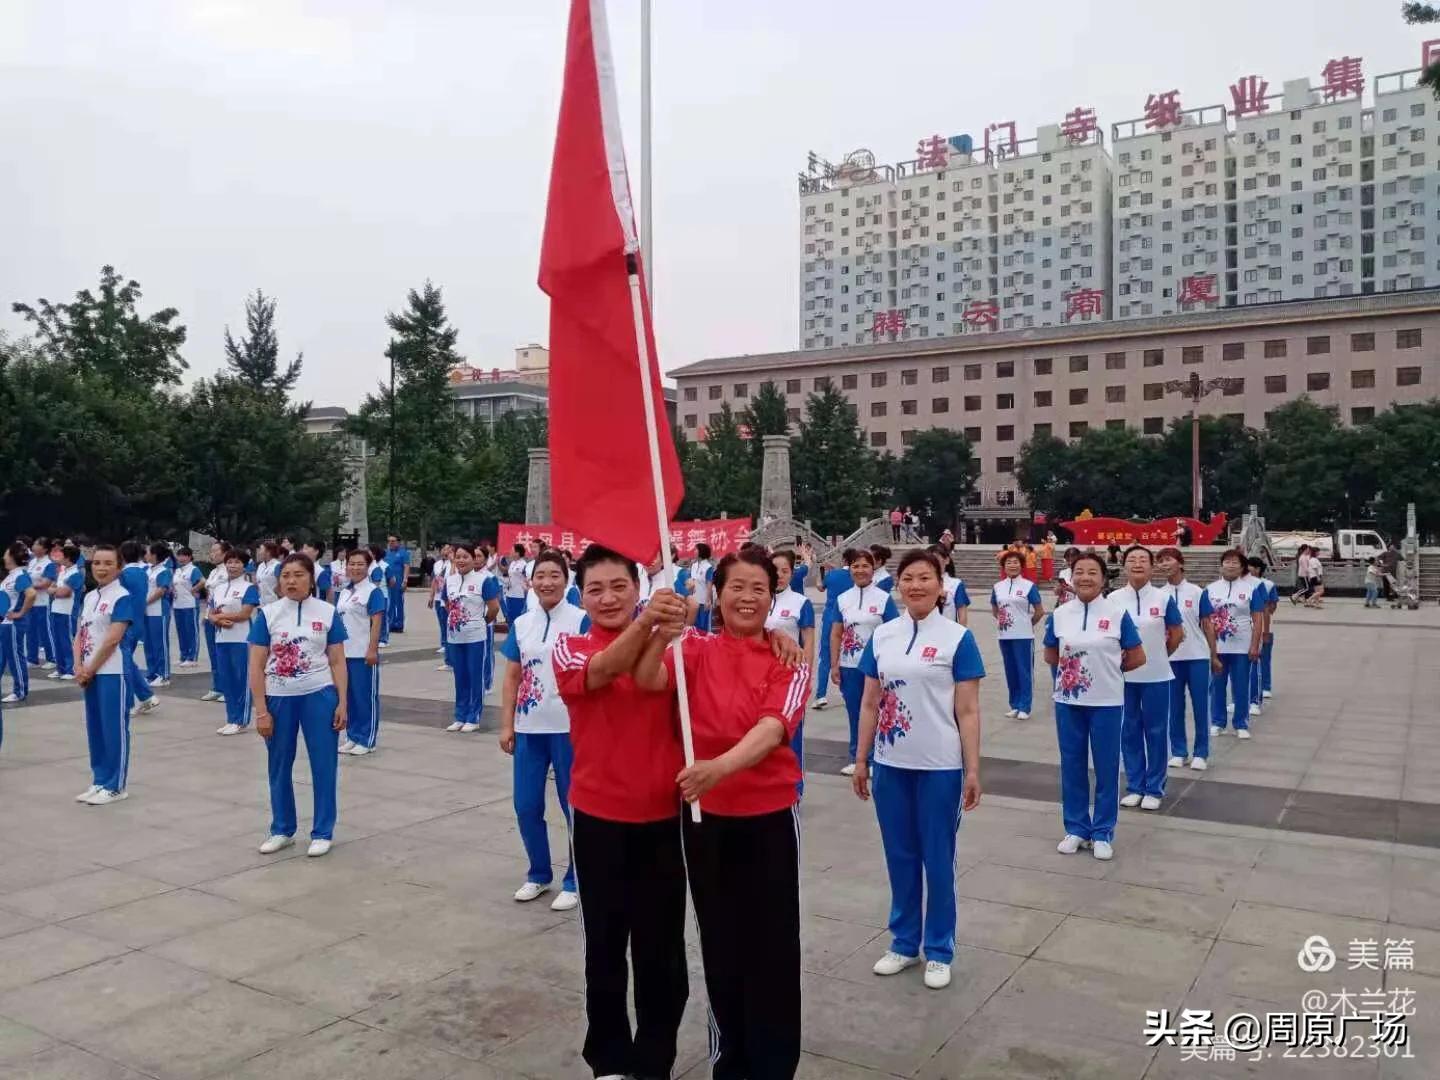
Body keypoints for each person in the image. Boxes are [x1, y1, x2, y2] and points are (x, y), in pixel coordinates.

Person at [628, 547, 811, 1076]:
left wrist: (716, 769)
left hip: (769, 816)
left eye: (759, 588)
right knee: (721, 939)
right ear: (717, 593)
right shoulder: (695, 650)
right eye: (737, 587)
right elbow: (646, 680)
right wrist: (659, 630)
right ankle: (730, 1058)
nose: (747, 597)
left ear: (772, 599)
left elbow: (773, 728)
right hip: (706, 821)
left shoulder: (788, 658)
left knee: (774, 944)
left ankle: (773, 1065)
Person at [551, 546, 690, 1080]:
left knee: (661, 951)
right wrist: (650, 622)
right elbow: (604, 670)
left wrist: (778, 636)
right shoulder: (569, 646)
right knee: (605, 945)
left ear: (637, 587)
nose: (608, 597)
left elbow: (731, 646)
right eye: (595, 589)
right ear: (580, 596)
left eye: (619, 586)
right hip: (598, 818)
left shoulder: (676, 646)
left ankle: (655, 1059)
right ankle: (608, 1058)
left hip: (663, 818)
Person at [852, 550, 984, 991]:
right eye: (908, 578)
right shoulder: (884, 636)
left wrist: (971, 769)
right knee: (901, 856)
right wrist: (862, 758)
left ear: (940, 585)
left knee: (937, 858)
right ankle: (905, 943)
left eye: (925, 578)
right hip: (891, 766)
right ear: (899, 585)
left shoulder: (957, 638)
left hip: (940, 767)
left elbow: (967, 711)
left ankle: (940, 948)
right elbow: (870, 703)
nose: (916, 586)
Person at [498, 549, 587, 912]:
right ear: (530, 581)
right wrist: (507, 724)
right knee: (526, 804)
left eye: (554, 575)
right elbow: (513, 676)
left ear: (566, 581)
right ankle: (538, 873)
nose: (547, 582)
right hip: (528, 727)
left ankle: (575, 879)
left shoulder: (582, 620)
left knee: (574, 806)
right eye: (540, 576)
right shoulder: (522, 623)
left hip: (570, 729)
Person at [1043, 552, 1145, 860]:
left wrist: (1107, 671)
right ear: (1070, 577)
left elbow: (1137, 656)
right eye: (1079, 572)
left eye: (1092, 572)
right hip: (1068, 702)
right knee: (1072, 765)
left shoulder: (1116, 614)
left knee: (1106, 766)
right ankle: (1075, 828)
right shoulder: (1060, 614)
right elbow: (1051, 655)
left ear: (1103, 579)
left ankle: (1102, 831)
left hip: (1107, 703)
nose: (1085, 577)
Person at [248, 552, 348, 857]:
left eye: (298, 575)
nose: (291, 581)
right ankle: (282, 829)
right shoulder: (268, 614)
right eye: (286, 576)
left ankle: (322, 831)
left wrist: (342, 702)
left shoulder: (328, 612)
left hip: (319, 695)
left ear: (311, 578)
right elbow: (255, 665)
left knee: (324, 764)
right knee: (278, 764)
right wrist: (261, 710)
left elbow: (337, 660)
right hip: (279, 698)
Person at [1113, 547, 1183, 813]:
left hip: (1156, 675)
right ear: (1124, 566)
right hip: (1124, 677)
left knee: (1155, 731)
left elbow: (1176, 634)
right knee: (1129, 730)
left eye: (1143, 560)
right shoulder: (1114, 599)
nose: (1138, 564)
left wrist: (1159, 656)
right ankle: (1135, 785)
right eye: (1132, 560)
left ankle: (1154, 788)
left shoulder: (1164, 599)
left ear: (1152, 567)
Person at [73, 544, 137, 805]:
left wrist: (90, 667)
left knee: (113, 728)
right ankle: (99, 779)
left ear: (119, 567)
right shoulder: (89, 597)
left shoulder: (122, 597)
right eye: (97, 563)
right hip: (89, 672)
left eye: (108, 563)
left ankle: (116, 785)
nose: (101, 568)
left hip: (111, 671)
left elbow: (112, 640)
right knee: (95, 728)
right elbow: (79, 634)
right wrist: (78, 666)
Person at [830, 547, 899, 775]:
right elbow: (836, 633)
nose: (860, 570)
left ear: (873, 568)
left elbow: (894, 632)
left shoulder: (883, 599)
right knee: (854, 712)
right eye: (855, 566)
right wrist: (834, 664)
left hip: (876, 669)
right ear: (850, 569)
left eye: (865, 565)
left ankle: (877, 758)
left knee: (878, 712)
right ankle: (857, 757)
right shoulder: (843, 599)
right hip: (849, 666)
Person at [1156, 547, 1215, 772]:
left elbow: (1208, 624)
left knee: (1200, 705)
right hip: (1170, 657)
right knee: (1174, 707)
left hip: (1197, 656)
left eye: (1168, 559)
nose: (1164, 564)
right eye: (1160, 561)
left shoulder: (1197, 592)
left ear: (1180, 563)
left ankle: (1201, 752)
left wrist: (1214, 654)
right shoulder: (1159, 595)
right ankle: (1179, 751)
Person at [767, 549, 815, 793]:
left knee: (792, 734)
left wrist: (806, 675)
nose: (779, 576)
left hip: (790, 679)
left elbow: (809, 641)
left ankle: (795, 788)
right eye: (775, 571)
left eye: (785, 571)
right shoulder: (760, 599)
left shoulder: (800, 603)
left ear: (792, 573)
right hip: (761, 679)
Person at [1207, 549, 1265, 741]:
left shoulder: (1251, 589)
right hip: (1217, 646)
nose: (1230, 565)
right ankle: (1218, 722)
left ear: (1242, 567)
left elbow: (1257, 620)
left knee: (1241, 685)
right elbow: (1205, 620)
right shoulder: (1210, 589)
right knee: (1217, 686)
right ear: (1221, 565)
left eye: (1235, 562)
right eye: (1227, 562)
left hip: (1242, 645)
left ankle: (1241, 723)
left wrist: (1255, 645)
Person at [444, 542, 500, 733]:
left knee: (475, 677)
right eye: (457, 556)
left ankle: (473, 717)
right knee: (460, 677)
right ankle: (460, 716)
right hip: (454, 637)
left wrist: (482, 622)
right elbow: (447, 604)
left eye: (465, 557)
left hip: (476, 637)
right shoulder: (450, 580)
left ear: (473, 559)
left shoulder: (484, 580)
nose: (461, 560)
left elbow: (494, 608)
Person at [335, 547, 386, 756]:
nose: (355, 568)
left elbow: (376, 622)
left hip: (362, 653)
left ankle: (367, 739)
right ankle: (353, 735)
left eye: (360, 564)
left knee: (364, 697)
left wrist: (372, 649)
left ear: (368, 566)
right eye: (352, 563)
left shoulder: (373, 592)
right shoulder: (345, 592)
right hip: (343, 654)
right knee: (349, 697)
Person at [209, 547, 259, 736]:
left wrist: (221, 617)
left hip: (242, 639)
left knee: (242, 679)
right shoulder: (219, 588)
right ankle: (231, 718)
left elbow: (245, 613)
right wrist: (218, 620)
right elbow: (211, 613)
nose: (233, 565)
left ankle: (241, 720)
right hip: (222, 638)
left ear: (244, 566)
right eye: (230, 561)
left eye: (237, 562)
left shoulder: (249, 588)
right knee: (227, 680)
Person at [990, 552, 1044, 720]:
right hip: (1004, 635)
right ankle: (1014, 704)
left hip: (1024, 636)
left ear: (1021, 565)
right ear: (1003, 566)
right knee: (1010, 670)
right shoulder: (998, 587)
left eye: (1015, 562)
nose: (1012, 565)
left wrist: (1027, 624)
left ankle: (1025, 707)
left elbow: (1039, 611)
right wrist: (1004, 622)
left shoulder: (1028, 586)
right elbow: (995, 609)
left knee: (1024, 671)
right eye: (1009, 562)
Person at [118, 542, 160, 714]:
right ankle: (145, 696)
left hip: (124, 623)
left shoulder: (123, 575)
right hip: (137, 622)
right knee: (126, 661)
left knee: (124, 663)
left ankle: (133, 702)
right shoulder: (142, 573)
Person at [812, 554, 854, 710]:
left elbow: (820, 587)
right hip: (849, 618)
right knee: (848, 655)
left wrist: (820, 572)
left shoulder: (832, 575)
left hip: (830, 618)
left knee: (826, 656)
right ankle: (849, 693)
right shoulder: (856, 576)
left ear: (843, 560)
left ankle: (821, 695)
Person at [1, 543, 35, 703]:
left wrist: (20, 613)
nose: (4, 557)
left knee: (15, 657)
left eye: (6, 554)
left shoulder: (20, 575)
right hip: (5, 623)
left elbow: (31, 594)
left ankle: (20, 691)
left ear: (13, 557)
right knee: (3, 656)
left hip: (13, 625)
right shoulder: (11, 576)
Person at [47, 544, 84, 681]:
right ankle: (60, 668)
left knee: (66, 641)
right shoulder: (63, 572)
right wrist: (54, 590)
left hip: (67, 612)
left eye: (61, 555)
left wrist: (54, 591)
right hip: (56, 609)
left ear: (67, 557)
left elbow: (65, 592)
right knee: (57, 640)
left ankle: (71, 668)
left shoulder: (76, 574)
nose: (59, 557)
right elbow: (51, 588)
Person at [1246, 557, 1277, 712]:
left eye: (1249, 566)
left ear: (1257, 569)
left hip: (1263, 628)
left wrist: (1265, 630)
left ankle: (1265, 686)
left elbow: (1271, 607)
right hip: (1246, 631)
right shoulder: (1241, 584)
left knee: (1263, 660)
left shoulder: (1267, 584)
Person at [201, 542, 230, 702]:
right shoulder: (213, 572)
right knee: (213, 654)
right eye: (211, 551)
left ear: (225, 553)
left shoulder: (228, 572)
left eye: (214, 551)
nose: (211, 554)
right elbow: (209, 594)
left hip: (222, 617)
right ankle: (217, 687)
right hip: (209, 617)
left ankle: (227, 688)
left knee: (223, 654)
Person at [143, 543, 174, 688]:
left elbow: (162, 590)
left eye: (148, 552)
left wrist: (145, 603)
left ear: (155, 555)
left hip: (159, 612)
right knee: (148, 644)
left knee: (160, 644)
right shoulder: (148, 570)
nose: (146, 554)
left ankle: (164, 675)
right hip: (147, 613)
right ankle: (152, 674)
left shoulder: (164, 571)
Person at [25, 537, 58, 669]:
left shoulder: (49, 564)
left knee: (45, 631)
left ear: (44, 548)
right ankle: (32, 658)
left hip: (43, 603)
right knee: (30, 631)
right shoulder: (32, 562)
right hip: (30, 602)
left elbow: (46, 583)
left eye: (36, 544)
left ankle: (52, 658)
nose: (33, 546)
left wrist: (28, 585)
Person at [170, 547, 204, 669]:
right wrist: (172, 590)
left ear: (189, 557)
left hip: (190, 605)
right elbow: (173, 584)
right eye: (179, 556)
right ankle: (183, 656)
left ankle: (192, 657)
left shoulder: (193, 569)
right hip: (177, 605)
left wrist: (194, 589)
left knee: (191, 631)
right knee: (181, 632)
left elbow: (202, 581)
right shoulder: (178, 571)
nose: (181, 558)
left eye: (184, 556)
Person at [930, 545, 971, 626]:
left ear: (947, 560)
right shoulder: (920, 583)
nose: (933, 562)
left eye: (936, 558)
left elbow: (962, 613)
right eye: (930, 559)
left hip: (948, 633)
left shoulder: (956, 584)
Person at [431, 543, 453, 669]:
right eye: (443, 549)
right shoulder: (437, 564)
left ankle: (448, 648)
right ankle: (444, 643)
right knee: (441, 621)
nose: (445, 551)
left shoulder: (453, 564)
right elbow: (434, 580)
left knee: (448, 622)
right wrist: (431, 595)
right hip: (439, 597)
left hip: (448, 598)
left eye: (448, 549)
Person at [384, 534, 410, 633]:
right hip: (387, 581)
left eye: (393, 541)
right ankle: (390, 623)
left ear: (398, 542)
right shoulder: (386, 553)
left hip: (398, 581)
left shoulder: (403, 553)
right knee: (389, 603)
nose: (390, 543)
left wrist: (405, 580)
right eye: (389, 541)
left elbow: (406, 566)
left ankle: (398, 624)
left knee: (398, 603)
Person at [688, 542, 715, 631]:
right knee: (694, 627)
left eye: (696, 549)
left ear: (701, 551)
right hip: (694, 602)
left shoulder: (708, 567)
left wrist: (708, 600)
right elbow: (691, 582)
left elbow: (709, 584)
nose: (694, 551)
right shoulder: (694, 566)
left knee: (703, 627)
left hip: (703, 602)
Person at [504, 542, 529, 630]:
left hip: (519, 595)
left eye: (512, 551)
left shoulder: (524, 565)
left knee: (517, 617)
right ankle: (510, 635)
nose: (510, 553)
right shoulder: (512, 563)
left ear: (517, 553)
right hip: (509, 593)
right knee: (510, 616)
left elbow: (527, 579)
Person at [254, 541, 282, 605]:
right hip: (261, 602)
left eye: (261, 550)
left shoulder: (277, 565)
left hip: (274, 602)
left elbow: (281, 585)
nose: (259, 552)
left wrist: (276, 594)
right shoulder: (261, 566)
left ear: (268, 552)